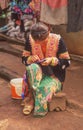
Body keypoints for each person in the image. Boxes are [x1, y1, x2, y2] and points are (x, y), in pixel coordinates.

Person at [21, 22, 70, 117]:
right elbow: (24, 59)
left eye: (43, 41)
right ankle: (32, 98)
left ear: (48, 34)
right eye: (36, 42)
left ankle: (34, 101)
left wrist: (53, 60)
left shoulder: (58, 40)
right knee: (31, 67)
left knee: (42, 88)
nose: (39, 43)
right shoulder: (30, 39)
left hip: (54, 76)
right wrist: (29, 59)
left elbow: (67, 62)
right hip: (36, 76)